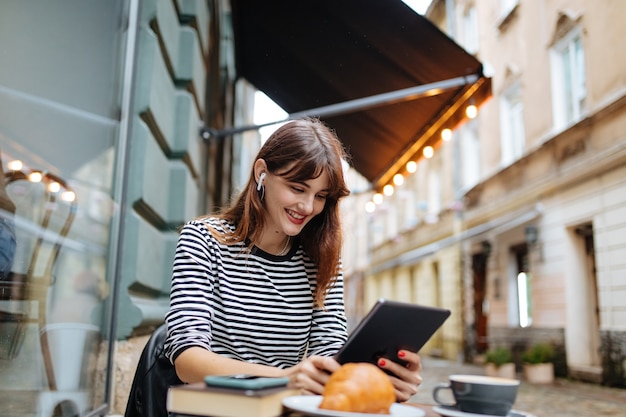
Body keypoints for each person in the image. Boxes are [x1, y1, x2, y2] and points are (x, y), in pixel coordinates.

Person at [163, 117, 422, 401]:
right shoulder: (203, 240)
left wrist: (381, 380)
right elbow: (187, 360)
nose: (308, 207)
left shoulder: (321, 259)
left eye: (320, 196)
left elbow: (329, 357)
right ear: (262, 172)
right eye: (298, 188)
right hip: (211, 409)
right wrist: (286, 378)